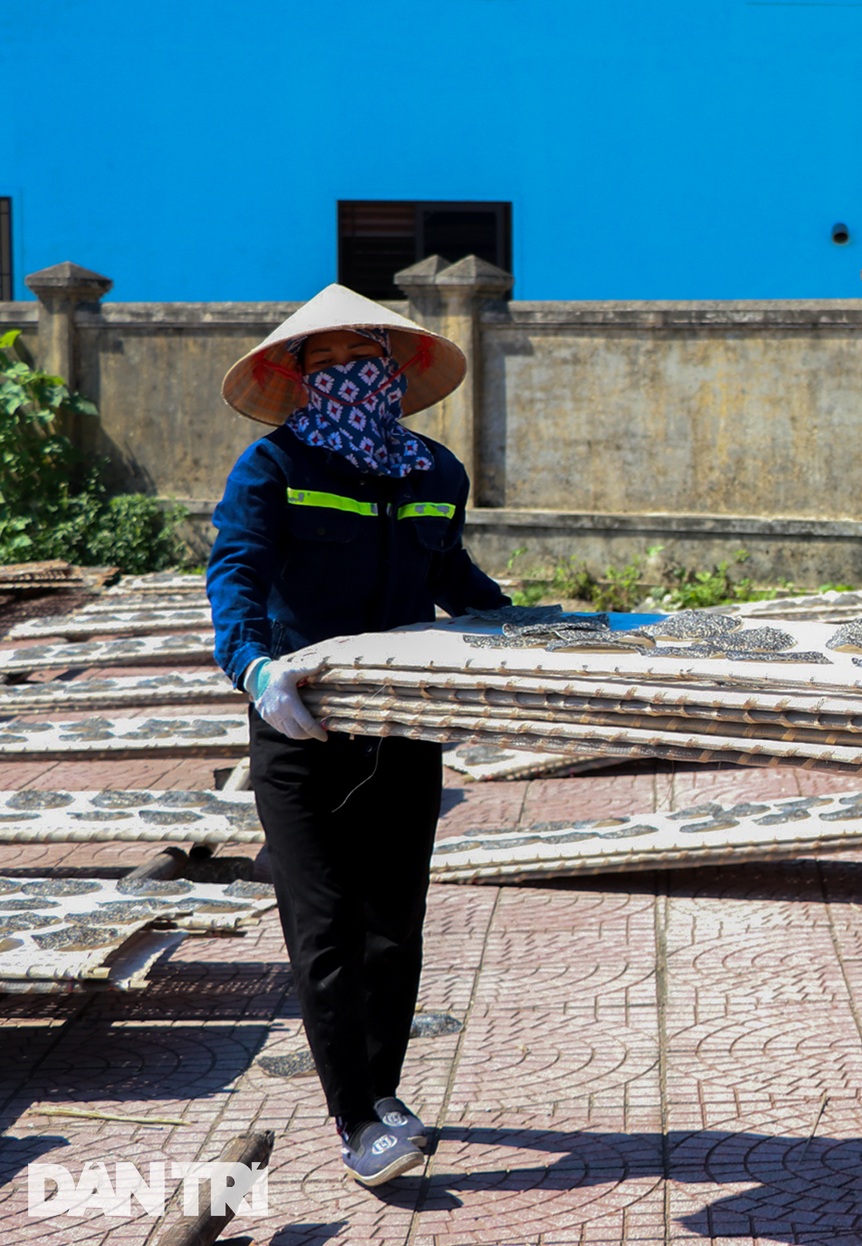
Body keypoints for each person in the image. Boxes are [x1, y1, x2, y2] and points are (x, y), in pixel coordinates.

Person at [208, 285, 509, 1186]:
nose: (344, 376)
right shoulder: (273, 468)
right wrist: (255, 670)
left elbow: (450, 569)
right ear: (297, 377)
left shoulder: (435, 474)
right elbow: (235, 572)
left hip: (402, 728)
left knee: (393, 928)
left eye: (360, 360)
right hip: (302, 727)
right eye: (323, 363)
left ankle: (383, 1093)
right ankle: (353, 1120)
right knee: (326, 928)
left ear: (394, 366)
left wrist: (526, 629)